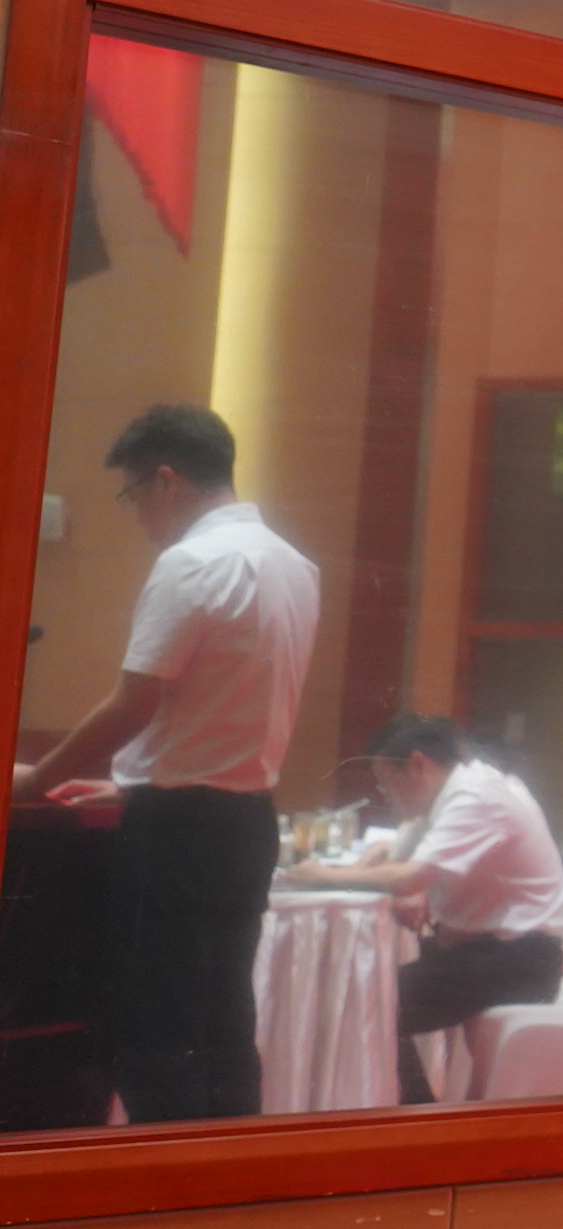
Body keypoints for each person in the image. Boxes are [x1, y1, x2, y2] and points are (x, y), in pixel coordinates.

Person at [12, 403, 322, 1121]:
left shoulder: (192, 563)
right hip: (246, 824)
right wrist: (130, 782)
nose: (137, 515)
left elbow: (133, 704)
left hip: (177, 832)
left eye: (132, 495)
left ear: (166, 480)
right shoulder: (293, 565)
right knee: (222, 1026)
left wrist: (36, 778)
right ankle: (229, 1176)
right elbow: (218, 711)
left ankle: (166, 1180)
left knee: (155, 1028)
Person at [286, 714, 563, 1105]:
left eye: (386, 781)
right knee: (368, 999)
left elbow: (410, 877)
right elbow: (402, 863)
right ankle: (418, 1109)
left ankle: (418, 1113)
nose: (386, 794)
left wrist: (324, 875)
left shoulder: (476, 797)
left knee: (366, 1007)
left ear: (418, 765)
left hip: (515, 960)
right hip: (482, 952)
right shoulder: (448, 796)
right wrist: (377, 875)